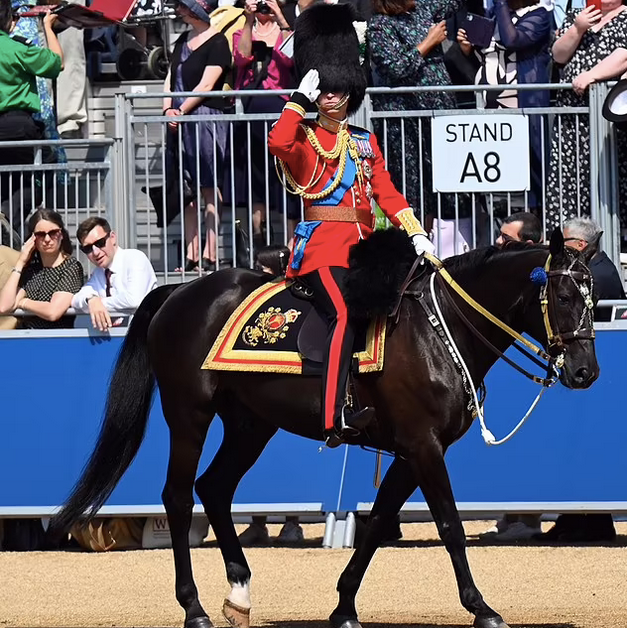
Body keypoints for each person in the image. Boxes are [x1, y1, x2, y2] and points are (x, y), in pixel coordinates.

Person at [268, 3, 434, 447]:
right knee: (342, 313)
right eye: (325, 89)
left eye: (338, 89)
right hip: (323, 248)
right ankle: (332, 415)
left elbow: (386, 191)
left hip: (365, 249)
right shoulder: (303, 136)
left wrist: (413, 228)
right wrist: (297, 100)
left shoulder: (364, 141)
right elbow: (277, 141)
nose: (331, 96)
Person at [368, 0, 480, 259]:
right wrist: (428, 42)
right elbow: (395, 67)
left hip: (440, 118)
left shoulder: (423, 10)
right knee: (414, 190)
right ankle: (415, 253)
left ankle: (449, 255)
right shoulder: (380, 25)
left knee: (446, 187)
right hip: (404, 123)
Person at [457, 0, 552, 210]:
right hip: (489, 109)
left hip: (523, 108)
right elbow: (484, 59)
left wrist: (500, 4)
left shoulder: (539, 15)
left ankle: (535, 222)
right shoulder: (491, 15)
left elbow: (512, 39)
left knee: (529, 170)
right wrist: (466, 48)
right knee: (496, 175)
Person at [163, 0, 232, 273]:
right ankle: (191, 253)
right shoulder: (182, 39)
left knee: (208, 186)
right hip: (178, 119)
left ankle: (210, 252)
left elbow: (207, 84)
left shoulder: (218, 42)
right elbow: (170, 77)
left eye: (184, 6)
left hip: (205, 119)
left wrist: (180, 110)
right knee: (187, 191)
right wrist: (167, 108)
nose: (179, 10)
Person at [546, 1, 627, 230]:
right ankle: (569, 239)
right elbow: (558, 55)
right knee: (569, 178)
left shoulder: (625, 18)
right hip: (572, 119)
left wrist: (591, 75)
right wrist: (578, 28)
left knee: (608, 177)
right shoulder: (576, 15)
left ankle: (612, 239)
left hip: (608, 118)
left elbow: (624, 55)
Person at [233, 0, 298, 249]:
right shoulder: (242, 31)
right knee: (256, 178)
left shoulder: (284, 30)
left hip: (281, 108)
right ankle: (259, 242)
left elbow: (292, 57)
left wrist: (280, 17)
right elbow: (241, 58)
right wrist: (249, 21)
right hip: (252, 111)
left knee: (284, 175)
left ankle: (291, 242)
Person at [0, 2, 63, 230]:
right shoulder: (15, 47)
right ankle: (9, 216)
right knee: (45, 165)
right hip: (17, 126)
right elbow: (57, 63)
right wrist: (48, 26)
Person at [0, 208, 83, 329]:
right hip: (27, 339)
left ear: (61, 235)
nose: (47, 239)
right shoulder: (32, 270)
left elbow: (53, 312)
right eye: (40, 234)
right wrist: (21, 262)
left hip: (56, 340)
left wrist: (24, 303)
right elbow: (4, 306)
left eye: (53, 233)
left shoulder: (71, 266)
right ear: (33, 239)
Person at [71, 217, 157, 332]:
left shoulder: (134, 258)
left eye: (100, 243)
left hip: (147, 338)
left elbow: (134, 300)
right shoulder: (98, 273)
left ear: (112, 238)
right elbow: (76, 300)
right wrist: (91, 300)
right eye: (88, 248)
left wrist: (99, 303)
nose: (95, 252)